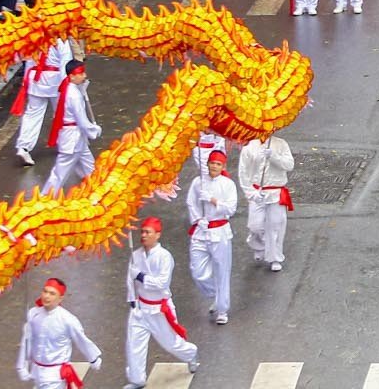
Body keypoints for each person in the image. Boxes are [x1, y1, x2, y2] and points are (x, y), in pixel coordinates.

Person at [124, 218, 199, 387]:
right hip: (140, 308)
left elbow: (162, 283)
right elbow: (130, 280)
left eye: (147, 232)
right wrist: (132, 300)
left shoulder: (165, 257)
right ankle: (137, 379)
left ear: (157, 235)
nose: (143, 235)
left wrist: (141, 277)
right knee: (134, 345)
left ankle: (191, 353)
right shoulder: (135, 255)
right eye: (142, 232)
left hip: (159, 309)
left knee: (171, 343)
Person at [16, 279, 102, 389]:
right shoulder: (33, 314)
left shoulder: (67, 319)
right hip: (37, 372)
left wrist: (93, 359)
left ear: (60, 298)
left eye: (52, 294)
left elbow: (81, 340)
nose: (46, 296)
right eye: (45, 291)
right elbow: (27, 340)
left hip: (55, 376)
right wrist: (22, 366)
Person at [185, 149, 237, 324]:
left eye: (218, 164)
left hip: (220, 231)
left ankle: (222, 309)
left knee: (222, 270)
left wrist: (214, 200)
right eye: (212, 163)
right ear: (207, 164)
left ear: (223, 166)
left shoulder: (228, 184)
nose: (214, 166)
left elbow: (231, 208)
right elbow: (191, 202)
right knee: (197, 270)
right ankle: (215, 293)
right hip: (201, 230)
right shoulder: (197, 182)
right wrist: (198, 219)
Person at [237, 133, 295, 271]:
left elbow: (289, 165)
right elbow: (243, 172)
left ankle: (274, 257)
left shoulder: (281, 144)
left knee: (276, 225)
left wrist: (274, 156)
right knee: (255, 225)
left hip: (276, 191)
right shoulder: (249, 147)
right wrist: (251, 193)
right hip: (258, 192)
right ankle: (259, 246)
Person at [13, 37, 74, 166]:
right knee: (63, 112)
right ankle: (66, 145)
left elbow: (24, 58)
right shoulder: (60, 38)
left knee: (33, 114)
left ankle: (24, 146)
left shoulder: (32, 36)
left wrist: (26, 81)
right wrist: (66, 83)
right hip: (55, 79)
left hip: (35, 79)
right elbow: (65, 62)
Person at [42, 60, 99, 195]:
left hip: (77, 138)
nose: (84, 76)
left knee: (90, 168)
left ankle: (97, 193)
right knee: (59, 174)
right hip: (72, 139)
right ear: (72, 76)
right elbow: (81, 120)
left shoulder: (69, 89)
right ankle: (45, 198)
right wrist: (94, 130)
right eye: (80, 73)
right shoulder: (73, 95)